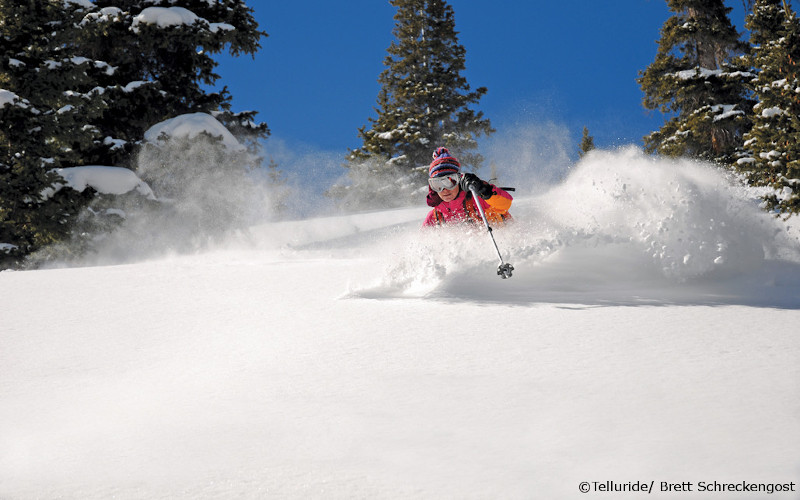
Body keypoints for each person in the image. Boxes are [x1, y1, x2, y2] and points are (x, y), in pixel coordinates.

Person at [423, 147, 513, 227]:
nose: (444, 190)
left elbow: (505, 204)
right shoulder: (436, 216)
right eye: (437, 185)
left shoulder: (477, 200)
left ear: (459, 181)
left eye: (449, 182)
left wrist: (485, 190)